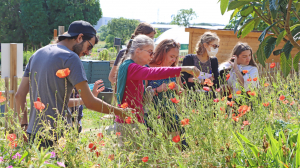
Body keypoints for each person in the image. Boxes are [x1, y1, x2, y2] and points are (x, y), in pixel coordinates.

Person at [15, 20, 129, 148]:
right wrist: (122, 113)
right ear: (80, 38)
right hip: (57, 135)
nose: (88, 53)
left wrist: (24, 126)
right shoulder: (70, 58)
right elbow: (90, 102)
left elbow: (19, 95)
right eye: (89, 46)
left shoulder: (37, 54)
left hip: (33, 133)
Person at [115, 35, 200, 147]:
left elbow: (142, 94)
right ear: (138, 51)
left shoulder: (133, 66)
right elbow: (152, 73)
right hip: (129, 120)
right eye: (150, 52)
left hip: (135, 118)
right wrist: (184, 69)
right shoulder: (132, 67)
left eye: (153, 52)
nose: (152, 55)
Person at [144, 39, 188, 149]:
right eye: (171, 56)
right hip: (153, 113)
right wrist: (157, 90)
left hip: (171, 114)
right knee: (156, 147)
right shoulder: (148, 68)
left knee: (174, 147)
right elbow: (142, 95)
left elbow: (183, 93)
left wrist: (178, 89)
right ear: (163, 53)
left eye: (176, 57)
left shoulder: (174, 69)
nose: (174, 60)